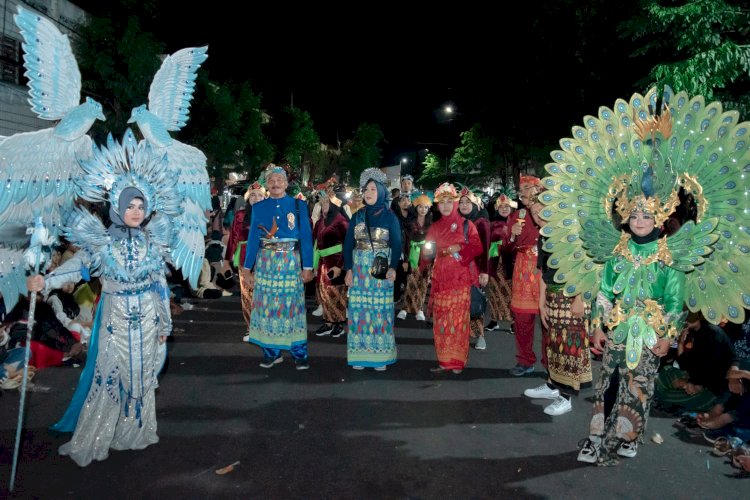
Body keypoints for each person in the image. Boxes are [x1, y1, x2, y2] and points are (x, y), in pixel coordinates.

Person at [27, 186, 172, 467]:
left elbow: (160, 285)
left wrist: (165, 321)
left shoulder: (151, 242)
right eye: (130, 206)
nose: (136, 212)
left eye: (141, 207)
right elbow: (77, 267)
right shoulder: (103, 243)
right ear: (117, 208)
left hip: (147, 318)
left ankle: (135, 431)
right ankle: (98, 435)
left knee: (140, 375)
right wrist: (46, 281)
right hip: (114, 319)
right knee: (107, 375)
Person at [577, 206, 685, 465]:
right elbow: (604, 293)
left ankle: (630, 437)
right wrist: (598, 328)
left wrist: (667, 338)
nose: (639, 221)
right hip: (618, 328)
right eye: (635, 216)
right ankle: (596, 439)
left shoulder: (669, 257)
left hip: (651, 333)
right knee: (609, 383)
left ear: (657, 220)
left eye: (646, 216)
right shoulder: (618, 253)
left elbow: (674, 302)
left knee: (638, 386)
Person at [524, 195, 592, 416]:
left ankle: (566, 397)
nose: (539, 216)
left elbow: (585, 267)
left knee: (570, 347)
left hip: (572, 297)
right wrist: (541, 303)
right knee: (553, 344)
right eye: (535, 213)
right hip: (553, 298)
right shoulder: (543, 238)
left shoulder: (570, 234)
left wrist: (580, 299)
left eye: (543, 210)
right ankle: (553, 385)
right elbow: (544, 273)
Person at [243, 164, 314, 370]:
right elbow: (254, 239)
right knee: (268, 308)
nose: (275, 183)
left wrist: (307, 266)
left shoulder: (299, 205)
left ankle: (299, 353)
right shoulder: (258, 207)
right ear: (267, 183)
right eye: (271, 180)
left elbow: (306, 238)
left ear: (286, 183)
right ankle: (271, 353)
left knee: (292, 307)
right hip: (265, 263)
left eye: (279, 180)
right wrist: (248, 268)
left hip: (290, 262)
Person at [343, 168, 401, 371]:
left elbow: (397, 243)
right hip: (359, 271)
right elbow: (348, 243)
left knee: (380, 311)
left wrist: (393, 267)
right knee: (358, 311)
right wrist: (348, 269)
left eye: (373, 189)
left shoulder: (390, 217)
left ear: (383, 192)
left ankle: (380, 357)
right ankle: (359, 355)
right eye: (366, 189)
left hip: (380, 269)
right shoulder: (357, 216)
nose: (368, 193)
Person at [422, 183, 482, 374]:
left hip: (460, 280)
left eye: (449, 202)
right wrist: (424, 258)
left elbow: (478, 247)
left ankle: (457, 361)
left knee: (458, 321)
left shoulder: (467, 225)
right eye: (442, 202)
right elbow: (427, 252)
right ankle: (444, 360)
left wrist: (460, 248)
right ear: (437, 205)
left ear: (455, 203)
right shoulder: (435, 226)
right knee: (441, 321)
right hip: (440, 278)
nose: (446, 206)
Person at [654, 313, 734, 414]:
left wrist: (693, 383)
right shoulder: (696, 332)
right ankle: (671, 394)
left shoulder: (712, 333)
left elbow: (712, 370)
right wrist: (680, 343)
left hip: (711, 390)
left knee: (664, 395)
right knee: (666, 373)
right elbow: (685, 364)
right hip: (696, 379)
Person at [503, 175, 543, 376]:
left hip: (545, 270)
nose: (523, 192)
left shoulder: (550, 211)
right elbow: (506, 247)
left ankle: (551, 363)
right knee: (522, 319)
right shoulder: (517, 215)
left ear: (538, 189)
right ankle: (525, 360)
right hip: (522, 270)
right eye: (521, 189)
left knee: (548, 321)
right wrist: (512, 235)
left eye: (528, 187)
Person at [228, 182, 266, 339]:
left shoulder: (270, 214)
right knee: (247, 294)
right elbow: (233, 238)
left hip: (265, 257)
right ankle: (251, 328)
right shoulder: (240, 215)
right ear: (248, 198)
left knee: (263, 293)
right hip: (245, 257)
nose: (256, 198)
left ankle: (264, 327)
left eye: (259, 195)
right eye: (253, 195)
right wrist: (227, 260)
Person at [457, 187, 491, 350]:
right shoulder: (455, 220)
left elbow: (485, 247)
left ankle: (480, 336)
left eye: (467, 202)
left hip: (474, 269)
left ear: (475, 204)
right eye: (461, 202)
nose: (464, 205)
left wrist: (484, 271)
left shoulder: (481, 222)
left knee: (474, 300)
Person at [312, 192, 349, 338]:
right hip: (322, 262)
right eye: (322, 203)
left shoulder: (341, 221)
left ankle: (338, 324)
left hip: (336, 262)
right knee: (324, 293)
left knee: (336, 294)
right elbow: (316, 241)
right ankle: (328, 322)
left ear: (334, 205)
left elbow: (347, 245)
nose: (324, 206)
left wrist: (340, 266)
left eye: (327, 203)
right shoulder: (321, 220)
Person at [397, 193, 433, 321]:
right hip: (412, 253)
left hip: (426, 256)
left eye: (426, 207)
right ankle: (405, 308)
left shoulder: (431, 223)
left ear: (429, 209)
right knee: (410, 282)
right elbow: (406, 242)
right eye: (420, 207)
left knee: (423, 283)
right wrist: (405, 260)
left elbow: (434, 242)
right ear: (416, 207)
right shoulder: (410, 223)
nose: (423, 210)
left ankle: (419, 309)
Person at [485, 188, 516, 334]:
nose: (504, 209)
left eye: (507, 207)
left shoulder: (516, 222)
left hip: (510, 261)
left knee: (511, 293)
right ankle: (493, 321)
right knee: (494, 292)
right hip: (495, 261)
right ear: (497, 208)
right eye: (501, 207)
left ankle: (513, 322)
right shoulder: (492, 223)